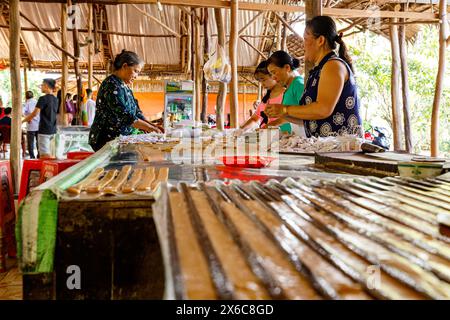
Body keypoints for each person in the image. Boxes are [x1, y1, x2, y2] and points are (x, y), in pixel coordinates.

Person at [265, 16, 362, 138]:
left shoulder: (333, 66)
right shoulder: (319, 70)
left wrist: (285, 109)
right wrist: (282, 113)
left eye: (305, 39)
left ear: (320, 40)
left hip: (342, 147)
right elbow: (310, 118)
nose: (303, 44)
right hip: (328, 147)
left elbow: (323, 110)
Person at [89, 50, 162, 151]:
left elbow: (136, 112)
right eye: (135, 71)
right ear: (124, 66)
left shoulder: (125, 87)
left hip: (120, 139)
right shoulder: (111, 84)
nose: (136, 76)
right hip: (107, 140)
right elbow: (125, 115)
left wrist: (152, 126)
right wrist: (150, 128)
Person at [236, 60, 285, 134]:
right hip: (266, 138)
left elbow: (287, 119)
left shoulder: (286, 94)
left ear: (273, 75)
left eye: (263, 80)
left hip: (282, 138)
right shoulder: (266, 98)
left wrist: (265, 128)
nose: (262, 84)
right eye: (260, 81)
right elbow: (254, 118)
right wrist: (241, 129)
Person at [266, 50, 305, 136]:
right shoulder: (289, 88)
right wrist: (270, 124)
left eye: (274, 72)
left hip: (303, 138)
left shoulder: (298, 85)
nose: (273, 78)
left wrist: (283, 110)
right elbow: (291, 116)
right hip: (293, 137)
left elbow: (308, 116)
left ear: (287, 68)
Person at [22, 78, 59, 159]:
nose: (41, 87)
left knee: (44, 155)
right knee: (51, 154)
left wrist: (22, 121)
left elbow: (35, 113)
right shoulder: (56, 99)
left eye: (42, 85)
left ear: (46, 86)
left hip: (44, 130)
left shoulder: (43, 99)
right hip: (53, 130)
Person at [22, 91, 39, 159]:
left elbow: (22, 112)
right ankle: (39, 155)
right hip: (39, 125)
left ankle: (32, 157)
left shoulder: (26, 103)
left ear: (26, 96)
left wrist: (27, 118)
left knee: (30, 143)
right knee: (39, 142)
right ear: (33, 96)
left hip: (31, 125)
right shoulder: (37, 102)